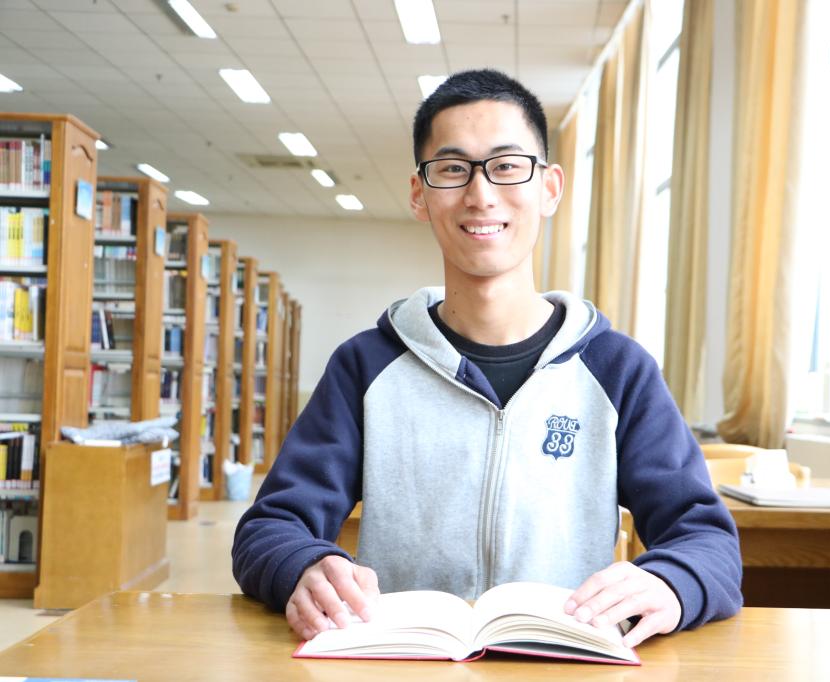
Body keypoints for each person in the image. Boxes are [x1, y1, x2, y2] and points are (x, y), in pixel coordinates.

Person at [232, 69, 742, 648]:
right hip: (405, 659)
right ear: (420, 194)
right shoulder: (364, 367)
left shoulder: (619, 370)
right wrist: (302, 565)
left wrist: (672, 583)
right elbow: (269, 527)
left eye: (506, 166)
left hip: (563, 662)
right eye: (453, 169)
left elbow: (709, 542)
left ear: (549, 188)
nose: (480, 195)